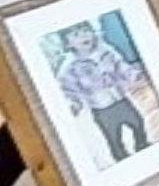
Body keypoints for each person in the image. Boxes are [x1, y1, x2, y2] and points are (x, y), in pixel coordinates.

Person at [50, 24, 150, 162]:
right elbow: (68, 88)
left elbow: (121, 66)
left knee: (137, 122)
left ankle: (142, 145)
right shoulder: (70, 66)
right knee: (113, 137)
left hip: (120, 99)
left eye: (86, 31)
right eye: (76, 35)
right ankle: (122, 158)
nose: (84, 36)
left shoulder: (106, 51)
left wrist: (133, 74)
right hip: (102, 109)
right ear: (68, 44)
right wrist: (73, 103)